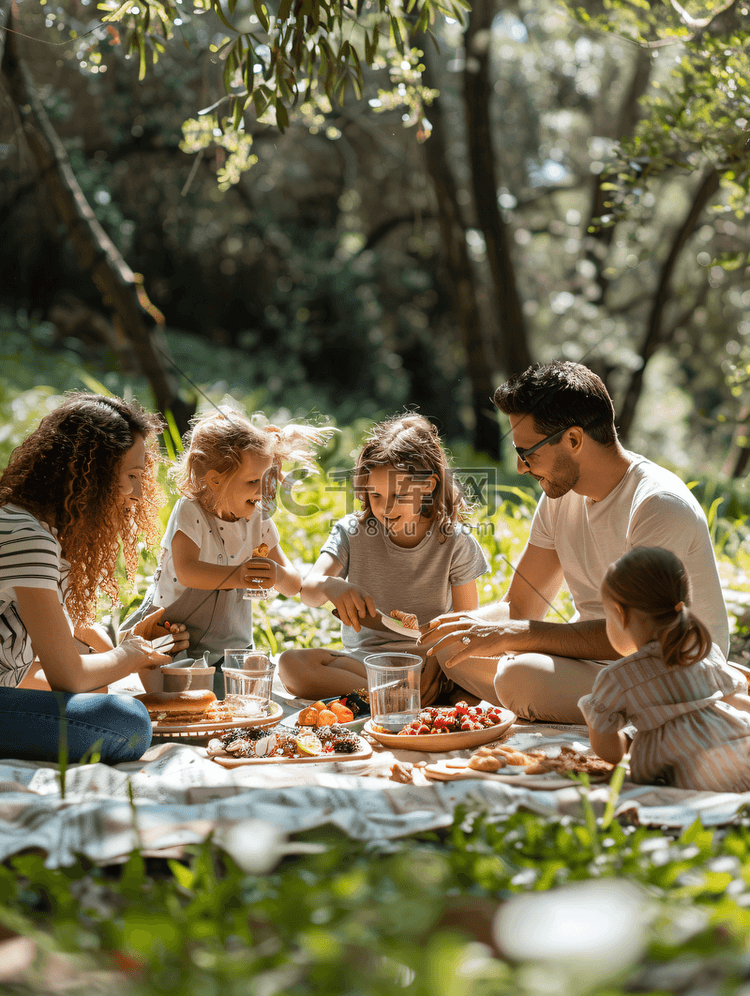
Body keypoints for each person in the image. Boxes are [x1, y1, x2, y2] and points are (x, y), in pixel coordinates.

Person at [420, 361, 729, 723]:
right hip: (594, 664)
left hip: (670, 672)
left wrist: (513, 635)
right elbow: (520, 605)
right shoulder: (560, 497)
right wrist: (450, 632)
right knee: (451, 643)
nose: (520, 467)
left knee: (520, 677)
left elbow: (635, 636)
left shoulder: (657, 506)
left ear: (574, 439)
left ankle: (513, 699)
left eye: (526, 453)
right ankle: (509, 696)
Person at [0, 393, 189, 764]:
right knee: (127, 721)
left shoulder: (39, 529)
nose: (137, 493)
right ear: (92, 473)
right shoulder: (28, 537)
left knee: (108, 701)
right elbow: (69, 677)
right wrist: (129, 655)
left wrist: (128, 651)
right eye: (132, 476)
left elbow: (79, 662)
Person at [277, 413, 489, 703]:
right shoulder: (352, 531)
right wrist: (330, 586)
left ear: (427, 486)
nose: (386, 509)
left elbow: (463, 626)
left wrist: (438, 666)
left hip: (433, 662)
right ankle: (399, 698)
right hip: (367, 664)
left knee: (488, 680)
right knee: (292, 665)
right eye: (375, 496)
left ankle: (386, 699)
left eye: (399, 495)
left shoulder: (455, 540)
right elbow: (308, 593)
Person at [123, 407, 328, 687]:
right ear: (216, 480)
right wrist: (238, 576)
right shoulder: (190, 511)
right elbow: (187, 570)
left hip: (231, 643)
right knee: (177, 697)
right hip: (172, 636)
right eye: (253, 481)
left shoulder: (259, 519)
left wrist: (277, 575)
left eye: (267, 480)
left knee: (244, 695)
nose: (264, 491)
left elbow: (294, 585)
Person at [579, 547, 750, 791]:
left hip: (698, 780)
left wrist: (634, 745)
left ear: (619, 613)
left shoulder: (617, 678)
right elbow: (736, 700)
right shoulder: (702, 650)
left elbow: (609, 749)